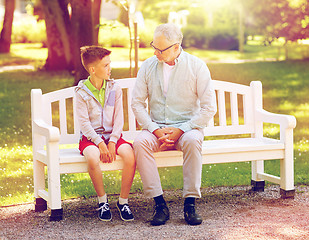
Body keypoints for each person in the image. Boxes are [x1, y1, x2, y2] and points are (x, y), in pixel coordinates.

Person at [131, 23, 217, 226]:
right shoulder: (147, 66)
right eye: (154, 46)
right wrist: (154, 129)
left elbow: (209, 108)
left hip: (187, 127)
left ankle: (190, 203)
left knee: (194, 141)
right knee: (140, 143)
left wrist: (181, 130)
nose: (155, 52)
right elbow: (137, 104)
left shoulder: (197, 66)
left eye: (160, 49)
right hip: (156, 128)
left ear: (176, 47)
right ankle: (159, 204)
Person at [75, 46, 136, 222]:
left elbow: (119, 118)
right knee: (93, 158)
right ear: (93, 69)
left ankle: (123, 202)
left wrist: (112, 142)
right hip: (90, 138)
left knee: (130, 156)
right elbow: (84, 124)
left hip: (113, 136)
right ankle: (103, 201)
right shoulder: (81, 93)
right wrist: (100, 144)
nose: (110, 68)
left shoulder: (114, 87)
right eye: (106, 65)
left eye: (110, 64)